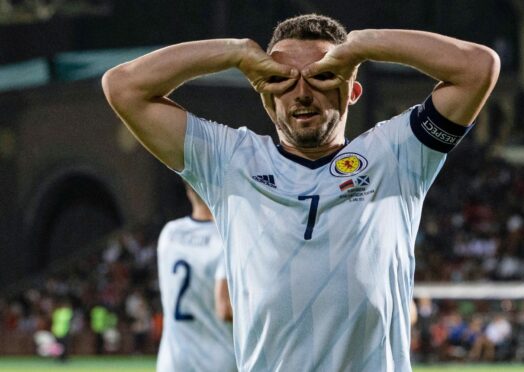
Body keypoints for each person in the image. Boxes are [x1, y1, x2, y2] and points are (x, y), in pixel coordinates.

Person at [102, 13, 499, 371]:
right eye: (282, 80)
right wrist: (235, 53)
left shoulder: (396, 155)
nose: (302, 93)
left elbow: (478, 67)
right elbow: (123, 86)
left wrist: (364, 44)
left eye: (322, 76)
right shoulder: (228, 161)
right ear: (264, 93)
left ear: (353, 90)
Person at [155, 183, 236, 372]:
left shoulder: (169, 233)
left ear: (189, 191)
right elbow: (224, 309)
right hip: (218, 359)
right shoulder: (226, 238)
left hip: (173, 360)